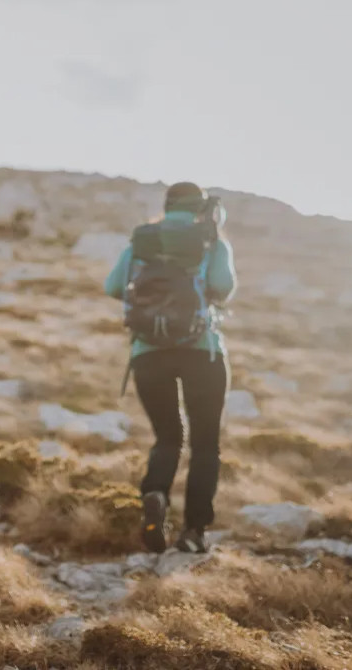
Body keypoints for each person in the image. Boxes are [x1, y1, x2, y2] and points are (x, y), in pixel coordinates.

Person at [104, 181, 236, 555]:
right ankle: (194, 531)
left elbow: (113, 286)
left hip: (148, 352)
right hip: (202, 352)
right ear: (201, 208)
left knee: (167, 436)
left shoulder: (142, 241)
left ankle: (156, 494)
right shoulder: (211, 241)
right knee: (205, 443)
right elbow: (222, 287)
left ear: (167, 205)